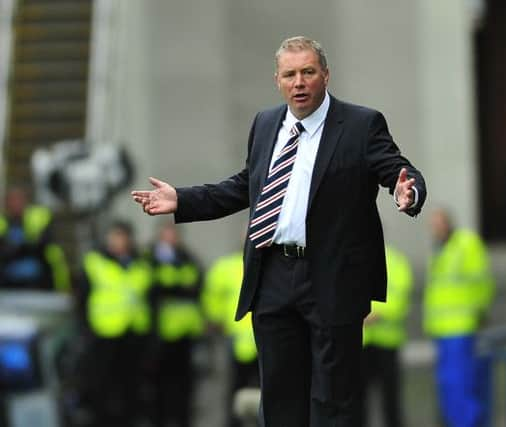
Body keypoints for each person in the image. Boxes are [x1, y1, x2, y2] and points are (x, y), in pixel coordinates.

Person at [132, 36, 427, 426]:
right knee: (279, 400)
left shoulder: (360, 124)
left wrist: (409, 191)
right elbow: (245, 186)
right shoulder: (267, 123)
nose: (299, 82)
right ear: (278, 80)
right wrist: (182, 200)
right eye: (290, 74)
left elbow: (397, 170)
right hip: (273, 275)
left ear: (325, 75)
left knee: (332, 401)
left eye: (308, 72)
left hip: (332, 277)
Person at [75, 220, 153, 427]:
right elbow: (81, 298)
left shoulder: (141, 264)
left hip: (134, 333)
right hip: (103, 333)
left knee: (130, 386)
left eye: (122, 236)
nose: (118, 241)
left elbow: (149, 299)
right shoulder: (95, 262)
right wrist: (85, 329)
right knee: (101, 386)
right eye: (114, 236)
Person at [423, 208, 495, 427]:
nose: (435, 229)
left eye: (438, 223)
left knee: (460, 384)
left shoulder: (465, 244)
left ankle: (468, 423)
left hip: (460, 327)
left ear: (448, 223)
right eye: (432, 225)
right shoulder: (440, 250)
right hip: (443, 329)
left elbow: (482, 280)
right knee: (450, 385)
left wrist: (480, 311)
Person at [146, 221, 205, 427]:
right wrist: (178, 288)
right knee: (159, 384)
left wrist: (172, 288)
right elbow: (153, 289)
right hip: (160, 333)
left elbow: (197, 285)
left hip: (186, 332)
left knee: (184, 384)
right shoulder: (151, 259)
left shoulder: (188, 258)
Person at [203, 250, 259, 427]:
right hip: (237, 339)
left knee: (266, 389)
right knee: (236, 387)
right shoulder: (226, 266)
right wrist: (214, 319)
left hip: (262, 337)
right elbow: (213, 295)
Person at [361, 245, 413, 427]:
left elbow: (399, 298)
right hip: (361, 343)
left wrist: (374, 314)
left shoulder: (394, 261)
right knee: (358, 402)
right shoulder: (352, 257)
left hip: (386, 341)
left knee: (390, 400)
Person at [0, 186, 70, 291]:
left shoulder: (39, 217)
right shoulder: (3, 223)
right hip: (8, 283)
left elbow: (43, 244)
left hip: (40, 280)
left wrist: (18, 248)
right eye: (12, 201)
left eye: (18, 200)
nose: (15, 204)